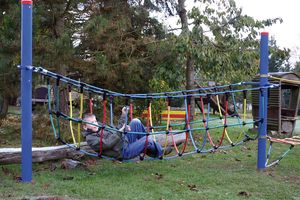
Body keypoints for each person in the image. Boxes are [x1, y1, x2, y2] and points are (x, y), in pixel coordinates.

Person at [82, 107, 172, 160]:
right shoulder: (91, 139)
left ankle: (150, 149)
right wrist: (120, 132)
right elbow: (108, 143)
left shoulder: (100, 126)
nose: (95, 124)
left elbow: (117, 129)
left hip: (125, 141)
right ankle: (160, 152)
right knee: (146, 140)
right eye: (91, 123)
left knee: (135, 122)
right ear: (85, 127)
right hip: (123, 152)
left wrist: (123, 115)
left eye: (95, 121)